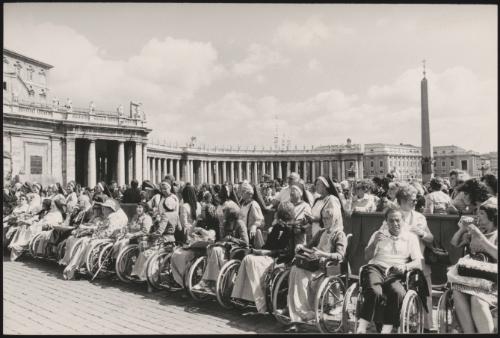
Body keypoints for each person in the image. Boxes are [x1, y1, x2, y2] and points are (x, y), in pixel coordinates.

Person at [356, 206, 424, 334]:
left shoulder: (410, 237)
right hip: (376, 267)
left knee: (398, 292)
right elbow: (367, 257)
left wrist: (405, 267)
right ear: (386, 222)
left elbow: (418, 263)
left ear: (403, 221)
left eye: (398, 220)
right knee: (374, 291)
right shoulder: (378, 234)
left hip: (396, 271)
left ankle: (386, 329)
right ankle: (361, 328)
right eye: (391, 221)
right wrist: (374, 242)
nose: (395, 224)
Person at [285, 196, 347, 331]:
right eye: (323, 218)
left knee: (300, 274)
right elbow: (309, 245)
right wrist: (301, 246)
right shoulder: (321, 232)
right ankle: (299, 312)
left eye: (328, 218)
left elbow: (340, 255)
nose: (325, 221)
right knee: (295, 270)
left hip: (326, 267)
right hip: (313, 264)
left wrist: (324, 254)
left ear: (335, 219)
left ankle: (303, 313)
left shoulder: (339, 234)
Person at [231, 202, 297, 313]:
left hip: (278, 259)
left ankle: (259, 301)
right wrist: (260, 251)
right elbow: (268, 245)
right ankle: (243, 295)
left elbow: (284, 252)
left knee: (250, 259)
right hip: (270, 256)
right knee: (248, 258)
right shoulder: (277, 228)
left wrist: (263, 252)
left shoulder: (291, 230)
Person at [449, 200, 497, 333]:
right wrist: (463, 229)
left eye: (481, 213)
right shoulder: (474, 233)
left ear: (492, 216)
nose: (478, 216)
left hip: (492, 281)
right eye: (477, 212)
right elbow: (454, 243)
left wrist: (481, 237)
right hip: (471, 278)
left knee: (477, 300)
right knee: (457, 292)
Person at [395, 185, 434, 332]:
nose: (415, 202)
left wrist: (422, 233)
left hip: (420, 262)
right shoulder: (393, 216)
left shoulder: (420, 217)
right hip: (400, 261)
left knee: (426, 295)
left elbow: (431, 239)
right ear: (402, 200)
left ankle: (427, 327)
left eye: (415, 199)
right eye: (412, 200)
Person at [63, 199, 128, 279]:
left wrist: (95, 235)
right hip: (101, 236)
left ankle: (78, 265)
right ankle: (75, 265)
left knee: (88, 242)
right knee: (84, 241)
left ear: (109, 209)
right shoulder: (109, 217)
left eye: (105, 208)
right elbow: (101, 228)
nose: (103, 210)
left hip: (107, 238)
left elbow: (109, 232)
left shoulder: (113, 217)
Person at [193, 201, 249, 292]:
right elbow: (223, 239)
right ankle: (209, 281)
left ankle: (208, 281)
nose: (223, 213)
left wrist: (231, 239)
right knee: (213, 248)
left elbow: (246, 242)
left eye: (225, 211)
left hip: (238, 250)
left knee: (216, 250)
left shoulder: (240, 224)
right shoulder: (225, 223)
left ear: (231, 212)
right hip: (227, 248)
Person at [9, 196, 66, 261]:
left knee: (30, 229)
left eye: (53, 205)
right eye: (52, 205)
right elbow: (41, 219)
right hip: (40, 225)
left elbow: (53, 224)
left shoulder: (57, 214)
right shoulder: (51, 212)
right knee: (27, 228)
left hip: (46, 228)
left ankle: (20, 246)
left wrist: (40, 224)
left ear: (56, 206)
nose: (51, 206)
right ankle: (19, 245)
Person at [58, 194, 94, 265]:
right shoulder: (81, 211)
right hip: (77, 229)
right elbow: (74, 221)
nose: (78, 203)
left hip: (84, 230)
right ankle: (65, 257)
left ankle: (70, 260)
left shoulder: (89, 211)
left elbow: (87, 223)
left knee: (68, 236)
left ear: (85, 202)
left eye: (79, 201)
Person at [304, 176, 343, 242]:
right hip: (316, 234)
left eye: (318, 184)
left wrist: (316, 219)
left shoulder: (332, 199)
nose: (316, 186)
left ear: (325, 186)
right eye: (315, 184)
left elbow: (333, 218)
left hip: (329, 236)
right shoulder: (317, 200)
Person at [239, 182, 265, 249]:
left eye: (243, 192)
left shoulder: (253, 204)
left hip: (250, 234)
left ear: (248, 193)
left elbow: (260, 219)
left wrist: (254, 226)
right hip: (243, 232)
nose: (241, 193)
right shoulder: (243, 204)